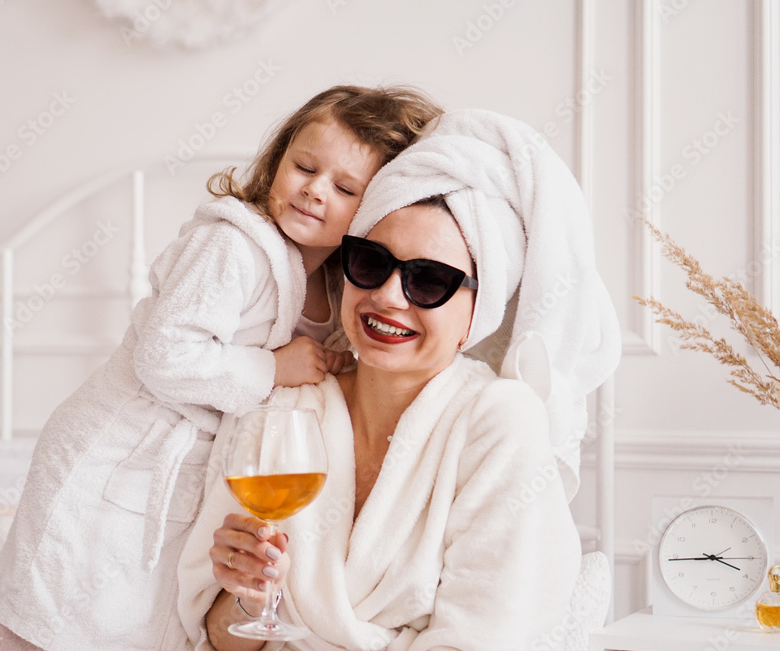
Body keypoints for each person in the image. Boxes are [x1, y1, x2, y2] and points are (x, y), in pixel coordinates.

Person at [0, 85, 443, 651]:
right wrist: (272, 368)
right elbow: (164, 355)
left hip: (185, 476)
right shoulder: (231, 246)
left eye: (345, 188)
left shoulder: (335, 286)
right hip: (116, 452)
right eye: (303, 167)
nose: (315, 190)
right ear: (278, 160)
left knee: (135, 619)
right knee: (54, 611)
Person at [178, 109, 622, 650]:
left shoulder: (499, 421)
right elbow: (220, 638)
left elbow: (484, 637)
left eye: (429, 281)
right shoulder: (285, 405)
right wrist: (249, 593)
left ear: (478, 312)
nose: (388, 296)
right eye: (370, 263)